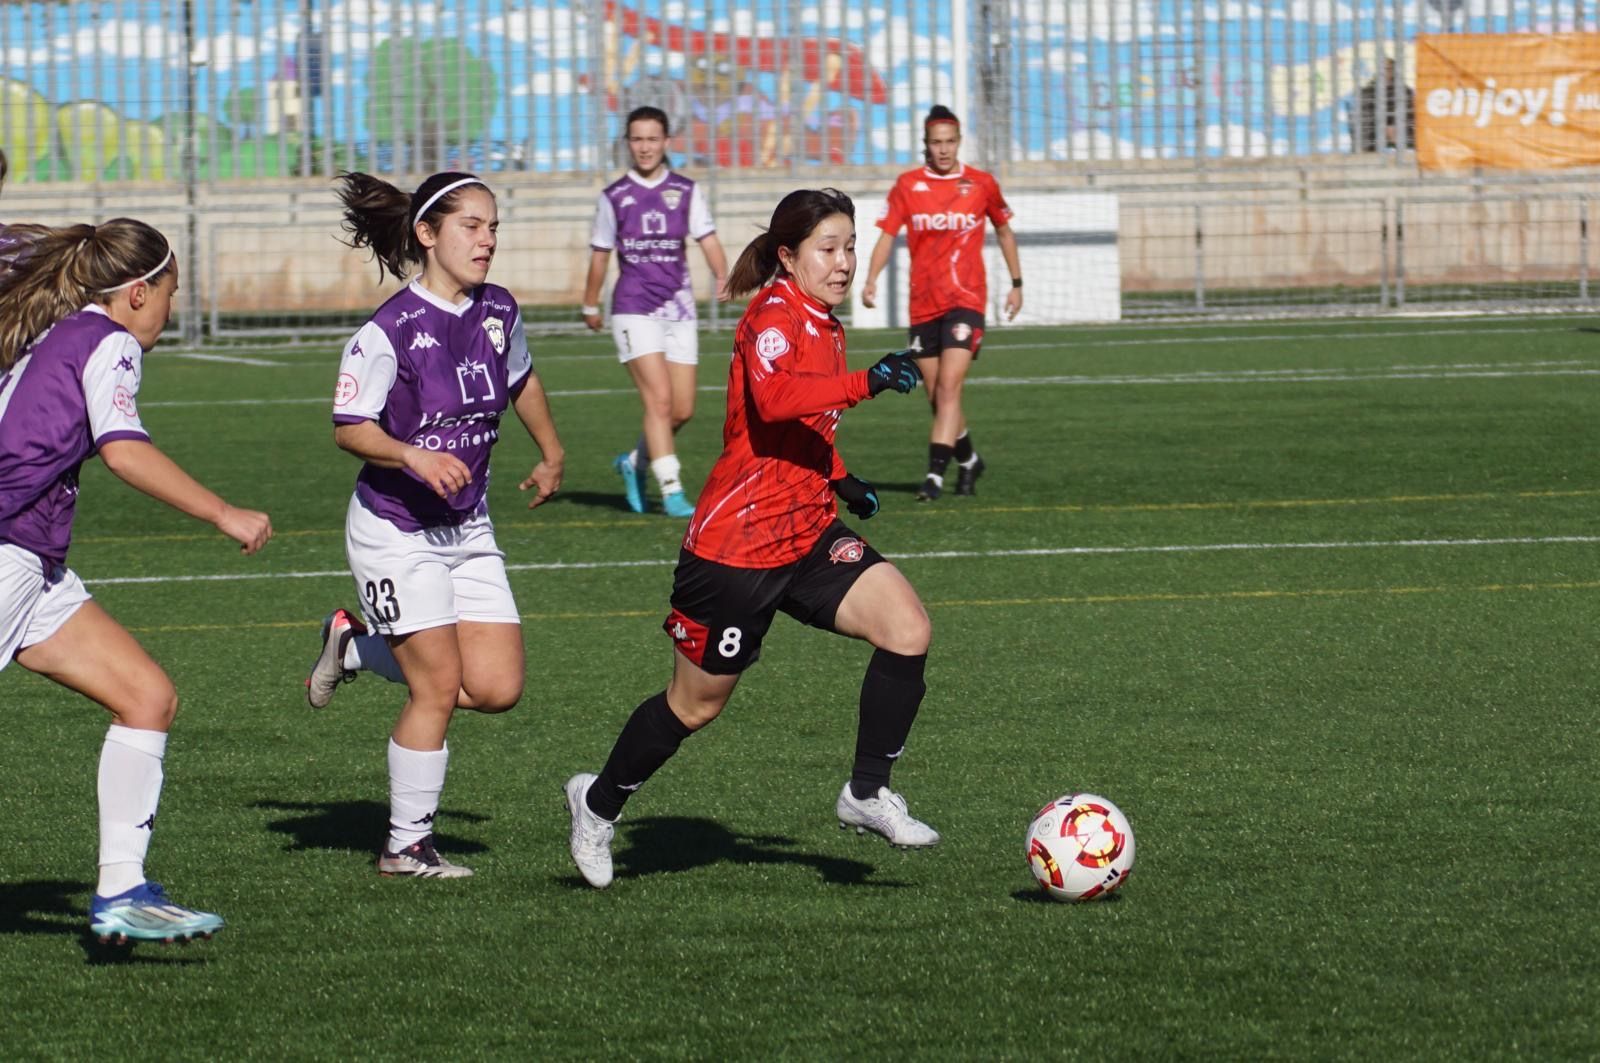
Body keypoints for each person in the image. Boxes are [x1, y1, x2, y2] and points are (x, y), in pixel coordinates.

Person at [563, 187, 935, 890]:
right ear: (788, 255)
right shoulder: (772, 315)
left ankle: (864, 792)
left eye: (850, 245)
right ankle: (598, 802)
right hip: (735, 549)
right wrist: (868, 383)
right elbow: (775, 400)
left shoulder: (824, 322)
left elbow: (798, 427)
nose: (844, 261)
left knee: (908, 628)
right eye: (829, 248)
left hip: (808, 532)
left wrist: (841, 476)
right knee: (696, 704)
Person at [0, 218, 273, 943]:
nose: (171, 310)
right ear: (138, 291)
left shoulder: (59, 330)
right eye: (170, 294)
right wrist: (224, 512)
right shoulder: (108, 341)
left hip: (34, 559)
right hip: (5, 551)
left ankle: (121, 891)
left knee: (146, 696)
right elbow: (124, 451)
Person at [305, 170, 566, 878]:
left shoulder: (499, 310)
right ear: (427, 233)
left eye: (493, 228)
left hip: (468, 526)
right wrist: (411, 455)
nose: (487, 241)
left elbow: (522, 380)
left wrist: (550, 450)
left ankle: (354, 647)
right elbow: (349, 428)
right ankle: (405, 845)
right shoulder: (387, 330)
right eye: (471, 226)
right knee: (437, 687)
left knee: (497, 687)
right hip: (394, 527)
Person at [861, 104, 1023, 501]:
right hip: (923, 304)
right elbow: (886, 235)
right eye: (936, 143)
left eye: (950, 142)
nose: (944, 150)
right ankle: (969, 460)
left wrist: (1017, 283)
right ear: (925, 145)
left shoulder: (981, 184)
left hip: (966, 299)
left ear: (959, 142)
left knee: (950, 388)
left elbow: (1004, 231)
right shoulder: (907, 185)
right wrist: (870, 278)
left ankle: (933, 476)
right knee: (936, 396)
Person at [582, 105, 730, 518]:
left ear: (666, 143)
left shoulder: (686, 191)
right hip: (633, 308)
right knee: (659, 401)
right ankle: (671, 490)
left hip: (678, 308)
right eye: (637, 139)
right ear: (627, 143)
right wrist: (590, 303)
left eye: (652, 139)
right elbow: (599, 255)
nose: (644, 147)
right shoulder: (614, 197)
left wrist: (723, 274)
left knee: (681, 409)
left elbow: (708, 238)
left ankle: (634, 464)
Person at [1351, 58, 1414, 152]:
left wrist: (1393, 125)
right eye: (1382, 69)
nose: (1385, 72)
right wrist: (1383, 127)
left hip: (1397, 128)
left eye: (1388, 69)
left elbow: (1408, 114)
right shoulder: (1367, 91)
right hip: (1374, 129)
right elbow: (1365, 117)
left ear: (1394, 71)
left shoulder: (1405, 91)